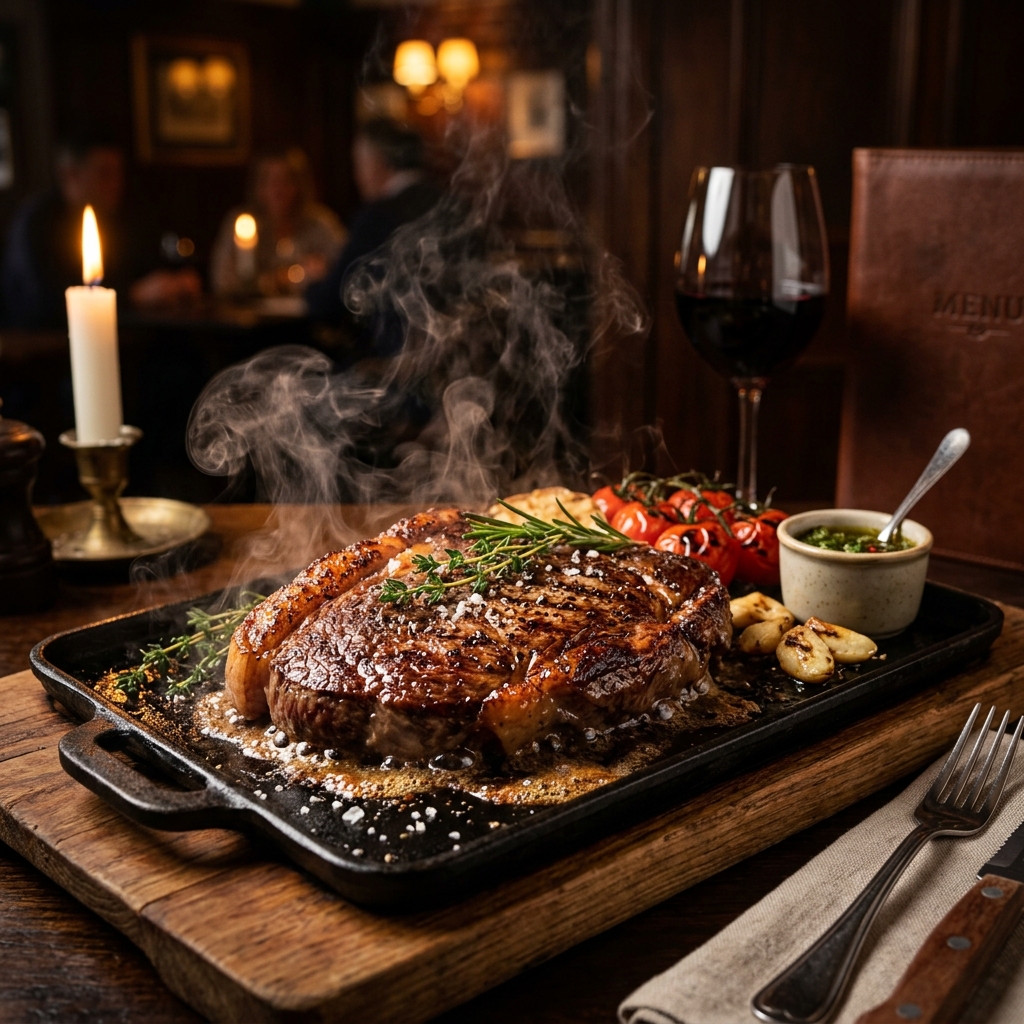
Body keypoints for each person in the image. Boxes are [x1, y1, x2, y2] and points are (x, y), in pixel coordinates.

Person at [1, 128, 201, 328]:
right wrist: (132, 295)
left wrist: (175, 281)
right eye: (105, 174)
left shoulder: (120, 218)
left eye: (118, 173)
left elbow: (142, 266)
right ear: (71, 175)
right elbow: (41, 304)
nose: (116, 184)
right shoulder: (37, 224)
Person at [305, 118, 441, 337]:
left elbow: (329, 304)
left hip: (395, 359)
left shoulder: (377, 217)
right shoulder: (453, 204)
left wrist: (311, 283)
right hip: (457, 355)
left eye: (359, 164)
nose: (358, 177)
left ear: (378, 162)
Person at [210, 148, 345, 298]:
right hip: (254, 316)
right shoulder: (242, 224)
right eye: (270, 181)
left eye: (286, 181)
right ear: (258, 188)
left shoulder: (320, 224)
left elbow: (344, 268)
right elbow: (222, 280)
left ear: (299, 186)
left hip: (310, 315)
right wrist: (279, 279)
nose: (278, 190)